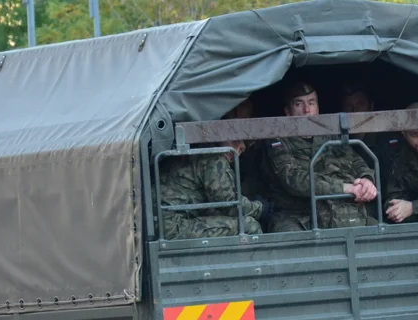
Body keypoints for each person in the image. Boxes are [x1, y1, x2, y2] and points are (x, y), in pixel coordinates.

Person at [264, 79, 378, 232]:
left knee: (381, 233)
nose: (307, 110)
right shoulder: (278, 140)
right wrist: (346, 188)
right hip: (296, 215)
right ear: (288, 112)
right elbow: (294, 179)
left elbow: (355, 160)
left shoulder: (329, 134)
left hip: (336, 209)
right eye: (299, 104)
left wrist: (366, 180)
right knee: (292, 243)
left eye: (311, 103)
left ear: (318, 108)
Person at [159, 136, 264, 240]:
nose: (236, 152)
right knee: (250, 226)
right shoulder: (215, 159)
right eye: (236, 142)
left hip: (165, 222)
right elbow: (230, 204)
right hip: (173, 227)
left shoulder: (200, 150)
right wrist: (260, 208)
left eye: (241, 150)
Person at [339, 83, 399, 216]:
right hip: (353, 206)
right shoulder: (337, 143)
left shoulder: (387, 140)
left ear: (370, 107)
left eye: (360, 104)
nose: (354, 111)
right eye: (349, 106)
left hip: (388, 204)